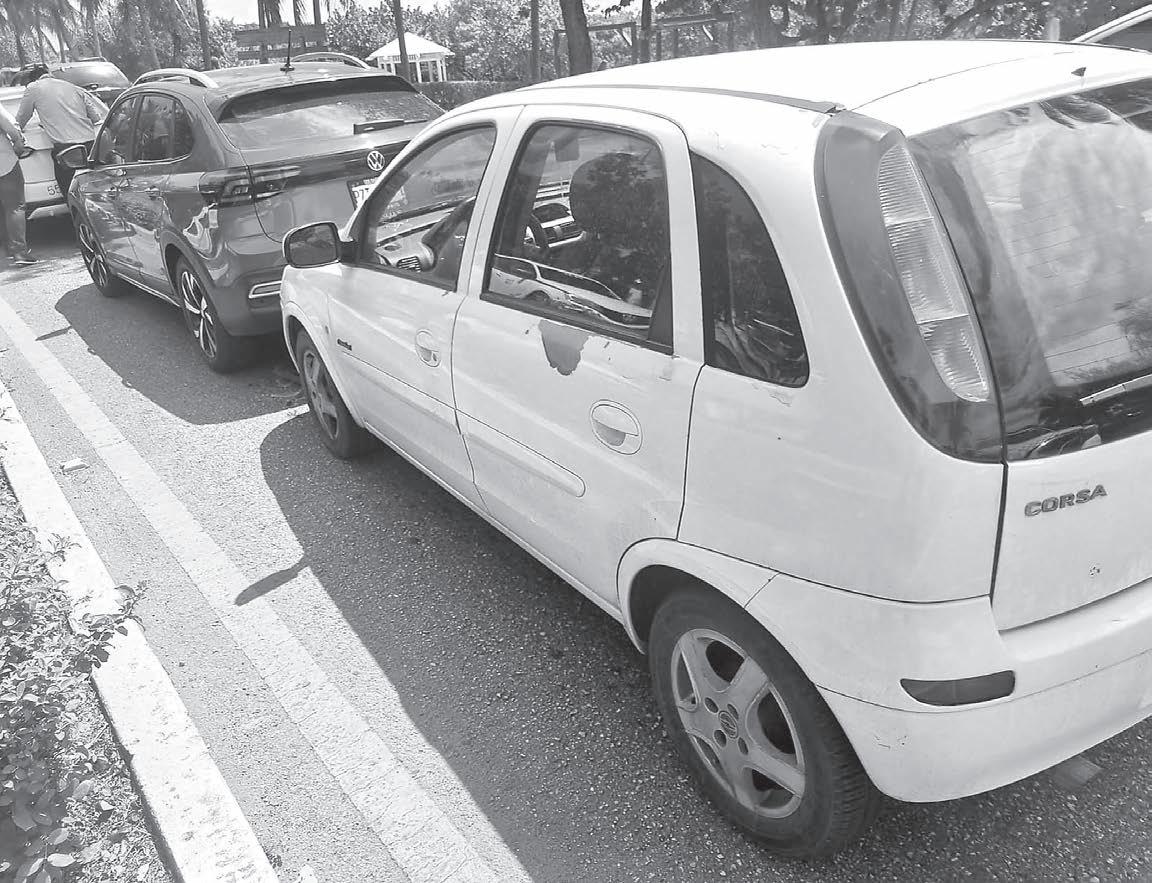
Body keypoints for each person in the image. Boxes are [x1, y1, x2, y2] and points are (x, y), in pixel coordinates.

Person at [15, 63, 107, 198]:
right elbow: (96, 117)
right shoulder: (73, 87)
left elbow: (21, 119)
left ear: (32, 79)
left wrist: (17, 133)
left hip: (67, 150)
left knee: (72, 195)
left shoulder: (33, 88)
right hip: (91, 146)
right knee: (95, 193)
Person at [0, 103, 36, 265]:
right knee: (14, 206)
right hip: (3, 162)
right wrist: (18, 141)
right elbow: (9, 124)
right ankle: (19, 252)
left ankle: (6, 249)